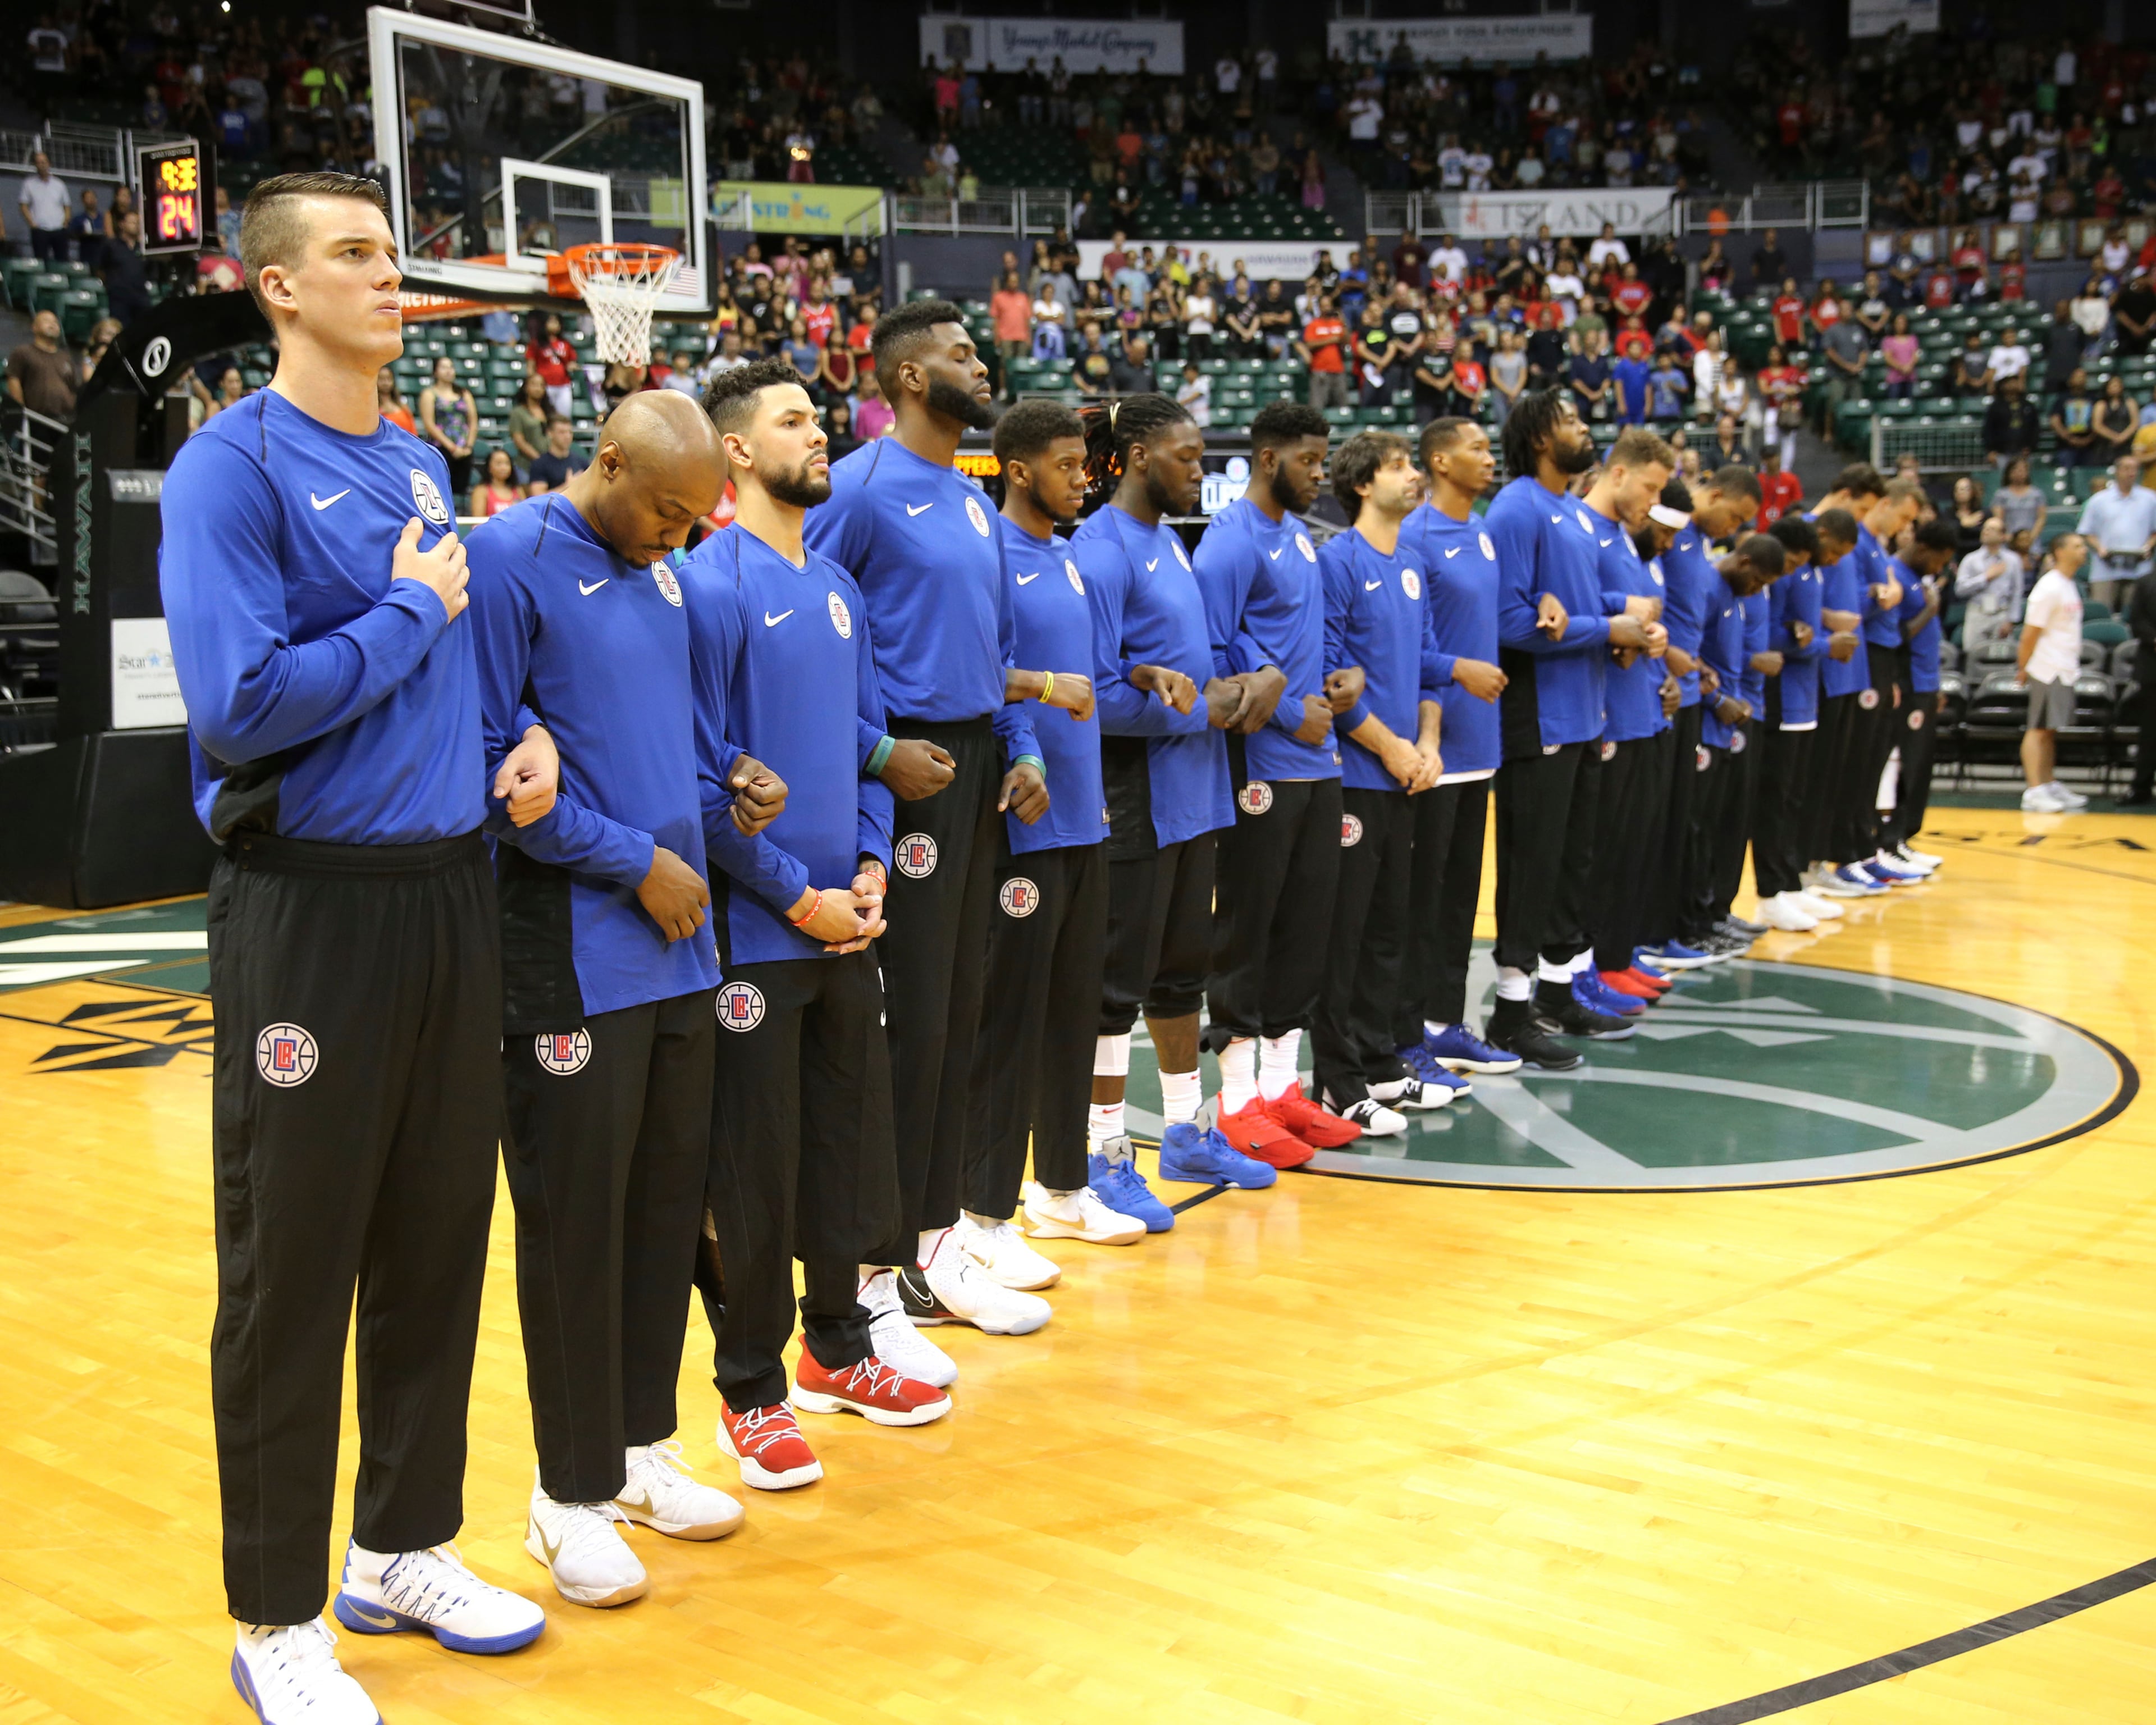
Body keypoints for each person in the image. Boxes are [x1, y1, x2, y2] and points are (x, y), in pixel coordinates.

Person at [158, 169, 554, 1723]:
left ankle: (401, 1547)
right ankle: (273, 1617)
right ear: (277, 288)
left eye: (393, 251)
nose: (392, 277)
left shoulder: (415, 453)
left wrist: (514, 741)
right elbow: (241, 705)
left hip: (453, 892)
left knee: (439, 1240)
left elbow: (446, 652)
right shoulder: (227, 470)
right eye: (355, 255)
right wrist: (399, 620)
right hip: (308, 910)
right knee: (293, 1265)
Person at [464, 388, 748, 1608]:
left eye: (694, 521)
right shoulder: (509, 558)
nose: (676, 537)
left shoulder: (669, 574)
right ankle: (563, 1497)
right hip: (569, 951)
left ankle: (637, 1453)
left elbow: (668, 735)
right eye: (665, 511)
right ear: (610, 460)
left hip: (681, 949)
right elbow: (487, 765)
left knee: (659, 1218)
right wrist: (633, 858)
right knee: (575, 1228)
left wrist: (728, 775)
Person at [679, 359, 951, 1495]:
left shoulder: (838, 581)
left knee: (845, 1147)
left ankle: (838, 1345)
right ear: (737, 451)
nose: (818, 434)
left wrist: (876, 865)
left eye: (818, 417)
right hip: (760, 935)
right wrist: (798, 895)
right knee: (755, 1168)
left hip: (848, 919)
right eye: (793, 421)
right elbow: (702, 783)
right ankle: (751, 1390)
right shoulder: (709, 583)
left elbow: (868, 742)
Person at [801, 299, 1062, 1355]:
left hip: (976, 765)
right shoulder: (857, 491)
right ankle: (876, 1266)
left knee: (956, 1008)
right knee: (903, 1021)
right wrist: (874, 756)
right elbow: (812, 641)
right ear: (910, 379)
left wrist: (1025, 743)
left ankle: (937, 1237)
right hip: (901, 770)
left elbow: (993, 645)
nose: (981, 362)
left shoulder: (969, 497)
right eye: (961, 354)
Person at [958, 400, 1148, 1263]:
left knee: (1074, 1011)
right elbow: (967, 677)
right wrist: (1039, 691)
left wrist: (1137, 673)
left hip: (1084, 817)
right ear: (1021, 471)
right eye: (1069, 466)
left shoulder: (1071, 560)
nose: (1085, 477)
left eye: (1087, 465)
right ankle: (984, 1218)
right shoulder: (989, 554)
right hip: (1020, 823)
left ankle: (1063, 1190)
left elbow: (1093, 680)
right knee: (1012, 1023)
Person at [1076, 393, 1272, 1195]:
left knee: (1182, 975)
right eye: (1189, 458)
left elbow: (1184, 672)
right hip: (1135, 796)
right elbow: (1090, 694)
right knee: (1116, 985)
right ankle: (1101, 1151)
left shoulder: (1167, 542)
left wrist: (1239, 689)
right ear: (1140, 458)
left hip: (1197, 793)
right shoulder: (1099, 549)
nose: (1203, 470)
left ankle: (1191, 1132)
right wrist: (1201, 704)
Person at [1194, 401, 1363, 1161]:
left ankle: (1282, 1090)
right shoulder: (1229, 544)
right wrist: (1293, 711)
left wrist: (1339, 676)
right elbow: (1212, 651)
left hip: (1316, 763)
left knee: (1305, 929)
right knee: (1249, 929)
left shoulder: (1300, 536)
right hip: (1261, 763)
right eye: (1309, 461)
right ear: (1268, 460)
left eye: (1324, 461)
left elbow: (1305, 636)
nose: (1319, 474)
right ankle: (1233, 1102)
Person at [1483, 390, 1659, 1064]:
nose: (1585, 430)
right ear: (1537, 439)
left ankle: (1557, 991)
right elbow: (1507, 621)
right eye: (1571, 423)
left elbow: (1578, 606)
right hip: (1539, 714)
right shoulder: (1518, 507)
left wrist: (1623, 616)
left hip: (1586, 712)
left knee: (1570, 864)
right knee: (1530, 867)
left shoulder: (1571, 513)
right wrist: (1603, 627)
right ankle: (1509, 1011)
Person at [1308, 429, 1457, 1133]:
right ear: (1364, 483)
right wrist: (1393, 747)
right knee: (1347, 933)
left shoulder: (1414, 561)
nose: (1413, 477)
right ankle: (1336, 1078)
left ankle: (1376, 1064)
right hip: (1360, 777)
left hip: (1406, 774)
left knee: (1391, 927)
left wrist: (1426, 744)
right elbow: (1332, 676)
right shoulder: (1338, 561)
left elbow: (1428, 665)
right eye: (1399, 467)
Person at [1388, 417, 1520, 1078]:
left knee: (1460, 898)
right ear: (1439, 461)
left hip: (1481, 744)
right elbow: (1406, 645)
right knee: (1421, 901)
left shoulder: (1482, 533)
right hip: (1430, 747)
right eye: (1477, 449)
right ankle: (1404, 1034)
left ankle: (1444, 1024)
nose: (1488, 458)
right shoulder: (1416, 536)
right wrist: (1456, 672)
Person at [1579, 430, 1682, 992]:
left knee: (1632, 844)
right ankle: (1594, 963)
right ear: (1618, 474)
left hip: (1642, 707)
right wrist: (1624, 611)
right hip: (1606, 714)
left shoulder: (1622, 535)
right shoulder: (1579, 531)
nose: (1653, 501)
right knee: (1604, 849)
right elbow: (1565, 606)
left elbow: (1643, 619)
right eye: (1650, 487)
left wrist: (1656, 640)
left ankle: (1619, 953)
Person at [1880, 520, 1960, 871]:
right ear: (1924, 549)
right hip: (1906, 685)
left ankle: (1903, 839)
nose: (1939, 569)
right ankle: (1887, 840)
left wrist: (1935, 686)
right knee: (1901, 766)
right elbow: (1897, 636)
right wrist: (1929, 610)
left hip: (1925, 685)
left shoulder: (1919, 580)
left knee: (1919, 767)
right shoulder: (1895, 575)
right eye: (1939, 561)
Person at [2016, 534, 2091, 813]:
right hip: (2046, 667)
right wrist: (2022, 667)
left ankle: (2048, 784)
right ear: (2059, 551)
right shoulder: (2048, 587)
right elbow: (2029, 633)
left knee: (2049, 730)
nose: (2084, 550)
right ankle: (2034, 790)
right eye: (2077, 546)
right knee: (2037, 729)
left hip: (2064, 667)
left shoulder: (2068, 585)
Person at [2077, 453, 2156, 608]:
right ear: (2117, 471)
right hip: (2105, 569)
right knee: (2102, 613)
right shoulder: (2098, 500)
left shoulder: (2150, 499)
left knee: (2136, 616)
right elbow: (2086, 532)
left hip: (2139, 568)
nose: (2131, 473)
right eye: (2127, 469)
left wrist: (2149, 546)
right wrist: (2100, 547)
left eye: (2135, 469)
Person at [1956, 516, 2027, 651]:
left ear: (2003, 536)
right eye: (1985, 528)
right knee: (1973, 654)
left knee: (2002, 656)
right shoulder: (1970, 559)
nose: (1986, 532)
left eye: (1992, 529)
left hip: (2002, 613)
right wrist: (1986, 577)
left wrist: (2011, 620)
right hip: (1977, 613)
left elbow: (2017, 591)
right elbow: (1960, 589)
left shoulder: (2013, 560)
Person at [419, 354, 477, 496]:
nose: (449, 371)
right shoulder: (429, 394)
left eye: (451, 367)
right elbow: (429, 424)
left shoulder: (464, 394)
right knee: (442, 490)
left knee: (461, 490)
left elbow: (473, 421)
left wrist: (468, 446)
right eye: (444, 367)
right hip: (441, 448)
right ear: (435, 372)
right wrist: (451, 447)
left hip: (464, 450)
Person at [6, 307, 76, 421]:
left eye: (55, 322)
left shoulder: (66, 357)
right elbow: (14, 381)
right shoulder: (23, 352)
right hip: (37, 419)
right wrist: (21, 413)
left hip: (65, 419)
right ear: (34, 327)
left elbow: (72, 388)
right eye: (46, 321)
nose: (52, 325)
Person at [1298, 291, 1350, 412]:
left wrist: (1344, 323)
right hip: (1320, 370)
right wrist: (1330, 340)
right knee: (1317, 407)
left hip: (1338, 370)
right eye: (1324, 306)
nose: (1327, 308)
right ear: (1320, 308)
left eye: (1328, 305)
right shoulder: (1313, 325)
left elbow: (1347, 342)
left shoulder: (1338, 324)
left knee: (1343, 407)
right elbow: (1309, 345)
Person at [526, 311, 581, 418]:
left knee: (564, 416)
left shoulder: (566, 344)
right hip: (545, 386)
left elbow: (572, 361)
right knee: (546, 416)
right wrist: (532, 382)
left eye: (556, 322)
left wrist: (572, 366)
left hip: (563, 386)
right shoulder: (536, 344)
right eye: (551, 322)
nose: (554, 325)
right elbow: (530, 365)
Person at [18, 150, 69, 264]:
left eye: (44, 162)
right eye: (39, 162)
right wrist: (32, 223)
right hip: (40, 229)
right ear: (35, 165)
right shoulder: (29, 184)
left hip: (59, 229)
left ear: (49, 163)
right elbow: (23, 205)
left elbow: (67, 206)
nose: (42, 165)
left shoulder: (59, 184)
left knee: (62, 262)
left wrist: (65, 223)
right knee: (41, 262)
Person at [467, 445, 524, 517]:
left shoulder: (518, 490)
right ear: (489, 468)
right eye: (499, 464)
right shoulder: (481, 491)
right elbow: (478, 522)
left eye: (507, 463)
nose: (504, 468)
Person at [508, 371, 550, 467]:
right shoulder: (518, 412)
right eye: (534, 385)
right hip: (526, 465)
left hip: (550, 464)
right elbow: (519, 441)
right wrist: (539, 459)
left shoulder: (550, 412)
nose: (538, 389)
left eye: (542, 386)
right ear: (526, 388)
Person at [376, 365, 415, 435]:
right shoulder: (372, 409)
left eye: (389, 379)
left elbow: (413, 433)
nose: (386, 383)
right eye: (381, 379)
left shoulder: (403, 407)